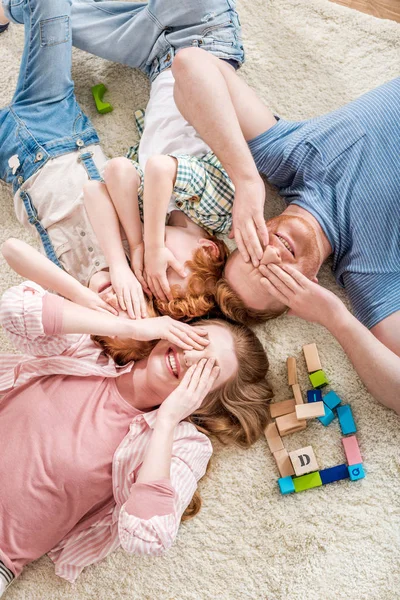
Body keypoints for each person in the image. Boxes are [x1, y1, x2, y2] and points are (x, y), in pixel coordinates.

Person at [0, 237, 273, 595]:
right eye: (197, 339)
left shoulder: (181, 445)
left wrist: (167, 421)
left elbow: (148, 536)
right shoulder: (93, 351)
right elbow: (13, 308)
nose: (189, 357)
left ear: (208, 399)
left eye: (207, 369)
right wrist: (132, 327)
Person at [166, 48, 400, 415]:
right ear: (303, 295)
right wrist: (336, 319)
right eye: (276, 278)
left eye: (255, 250)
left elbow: (189, 66)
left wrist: (246, 179)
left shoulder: (288, 159)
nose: (273, 254)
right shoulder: (370, 278)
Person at [0, 0, 242, 321]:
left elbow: (116, 172)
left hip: (153, 57)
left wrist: (138, 246)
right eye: (168, 267)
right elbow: (159, 169)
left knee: (54, 12)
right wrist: (152, 245)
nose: (157, 266)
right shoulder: (223, 211)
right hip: (201, 35)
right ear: (208, 248)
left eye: (155, 277)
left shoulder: (148, 215)